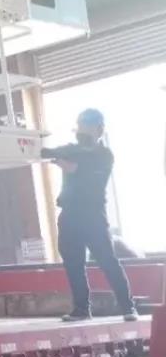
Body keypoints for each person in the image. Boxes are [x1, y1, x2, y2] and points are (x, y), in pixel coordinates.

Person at [42, 108, 137, 322]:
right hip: (70, 215)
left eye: (87, 127)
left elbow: (80, 169)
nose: (82, 130)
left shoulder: (104, 155)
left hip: (93, 216)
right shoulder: (71, 150)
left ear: (99, 129)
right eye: (80, 126)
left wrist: (65, 163)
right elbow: (47, 152)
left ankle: (128, 307)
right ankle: (81, 309)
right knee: (73, 264)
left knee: (108, 261)